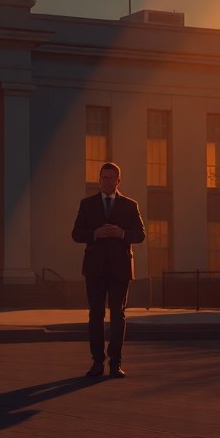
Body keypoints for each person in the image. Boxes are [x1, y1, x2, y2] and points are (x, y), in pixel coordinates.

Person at [71, 162, 146, 378]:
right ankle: (97, 362)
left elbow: (140, 235)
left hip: (120, 268)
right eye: (104, 177)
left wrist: (122, 234)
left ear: (118, 181)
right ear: (99, 179)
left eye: (111, 178)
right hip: (95, 269)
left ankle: (115, 362)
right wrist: (95, 234)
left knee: (118, 315)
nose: (107, 181)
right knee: (95, 315)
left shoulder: (130, 205)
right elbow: (76, 234)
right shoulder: (87, 204)